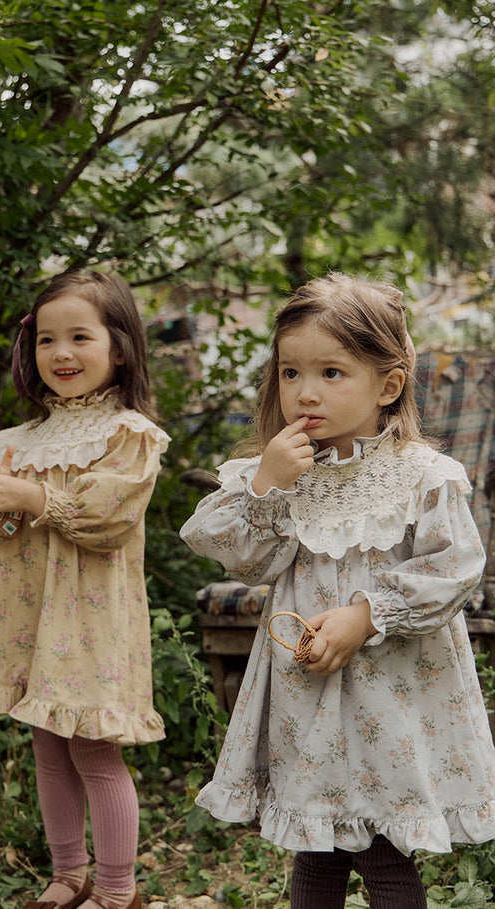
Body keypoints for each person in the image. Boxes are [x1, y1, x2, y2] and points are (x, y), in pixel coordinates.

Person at [180, 273, 495, 909]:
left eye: (331, 372)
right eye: (291, 373)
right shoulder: (285, 469)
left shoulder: (424, 477)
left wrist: (367, 614)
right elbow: (242, 556)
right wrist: (266, 483)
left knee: (382, 848)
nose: (305, 393)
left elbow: (457, 568)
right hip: (309, 693)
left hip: (392, 692)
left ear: (388, 384)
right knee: (316, 845)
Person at [0, 270, 170, 909]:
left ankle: (117, 888)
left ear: (119, 347)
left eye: (80, 336)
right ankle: (67, 875)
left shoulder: (129, 433)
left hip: (89, 618)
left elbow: (109, 518)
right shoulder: (24, 439)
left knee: (95, 751)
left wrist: (34, 496)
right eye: (47, 340)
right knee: (49, 749)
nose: (62, 353)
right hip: (32, 616)